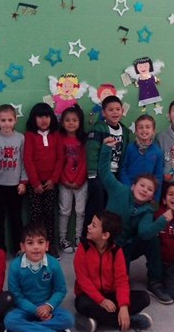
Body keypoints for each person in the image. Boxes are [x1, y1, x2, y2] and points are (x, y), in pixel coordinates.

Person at [100, 137, 174, 304]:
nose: (145, 190)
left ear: (151, 196)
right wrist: (106, 149)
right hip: (105, 245)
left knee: (152, 239)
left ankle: (155, 281)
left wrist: (162, 220)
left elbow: (145, 233)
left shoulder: (147, 211)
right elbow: (104, 173)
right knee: (113, 284)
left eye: (149, 189)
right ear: (133, 186)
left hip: (125, 247)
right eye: (142, 185)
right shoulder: (119, 190)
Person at [73, 210, 152, 332]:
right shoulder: (83, 247)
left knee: (144, 298)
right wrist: (101, 300)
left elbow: (122, 280)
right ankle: (130, 321)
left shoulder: (116, 251)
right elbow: (82, 280)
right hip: (90, 296)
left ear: (105, 235)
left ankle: (99, 320)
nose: (88, 226)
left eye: (93, 225)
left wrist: (123, 306)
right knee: (81, 303)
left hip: (111, 294)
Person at [2, 223, 77, 332]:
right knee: (9, 320)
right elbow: (16, 296)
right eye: (30, 243)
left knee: (68, 319)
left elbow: (60, 290)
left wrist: (48, 306)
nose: (36, 247)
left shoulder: (53, 264)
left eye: (40, 242)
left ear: (46, 246)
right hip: (25, 307)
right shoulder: (15, 266)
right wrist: (35, 310)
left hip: (47, 307)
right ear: (23, 247)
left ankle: (22, 331)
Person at [84, 95, 132, 232]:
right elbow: (92, 152)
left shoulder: (125, 131)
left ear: (122, 111)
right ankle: (88, 236)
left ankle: (107, 236)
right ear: (103, 113)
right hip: (99, 176)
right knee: (96, 208)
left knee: (110, 209)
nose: (115, 112)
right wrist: (92, 176)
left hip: (115, 176)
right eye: (110, 110)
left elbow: (124, 154)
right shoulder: (99, 129)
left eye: (118, 109)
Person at [24, 103, 64, 258]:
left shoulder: (56, 135)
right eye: (40, 117)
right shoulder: (30, 135)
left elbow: (60, 158)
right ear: (34, 119)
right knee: (36, 216)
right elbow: (28, 160)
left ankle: (50, 245)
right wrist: (35, 183)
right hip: (34, 184)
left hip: (51, 184)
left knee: (49, 215)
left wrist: (53, 180)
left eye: (46, 116)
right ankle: (35, 245)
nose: (43, 120)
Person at [0, 104, 27, 255]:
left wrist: (23, 181)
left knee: (16, 218)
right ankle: (0, 250)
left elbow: (23, 161)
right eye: (3, 120)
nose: (6, 123)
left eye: (10, 120)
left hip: (15, 185)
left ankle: (18, 248)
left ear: (15, 120)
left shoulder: (20, 138)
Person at [58, 105, 87, 254]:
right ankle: (62, 239)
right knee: (65, 211)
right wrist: (64, 180)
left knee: (80, 211)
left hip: (81, 182)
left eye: (74, 120)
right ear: (62, 122)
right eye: (67, 120)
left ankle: (78, 238)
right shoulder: (59, 138)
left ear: (80, 122)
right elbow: (58, 162)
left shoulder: (84, 139)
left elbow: (85, 162)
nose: (71, 123)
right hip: (64, 182)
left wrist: (78, 180)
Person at [120, 114, 164, 201]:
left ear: (153, 131)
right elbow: (123, 168)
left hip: (146, 194)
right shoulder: (130, 148)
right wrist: (127, 187)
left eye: (148, 127)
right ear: (136, 131)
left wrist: (155, 196)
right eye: (140, 127)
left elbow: (158, 176)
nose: (144, 130)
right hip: (129, 190)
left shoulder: (158, 152)